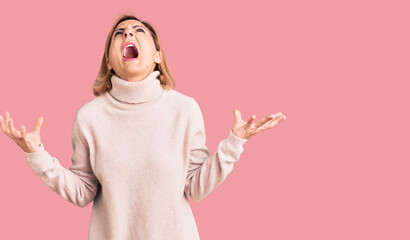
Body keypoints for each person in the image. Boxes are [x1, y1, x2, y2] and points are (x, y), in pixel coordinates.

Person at [0, 14, 287, 240]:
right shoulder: (89, 117)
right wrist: (37, 155)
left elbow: (196, 188)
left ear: (158, 56)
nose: (128, 34)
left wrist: (235, 142)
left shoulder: (184, 110)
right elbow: (82, 191)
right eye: (119, 33)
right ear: (110, 61)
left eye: (139, 31)